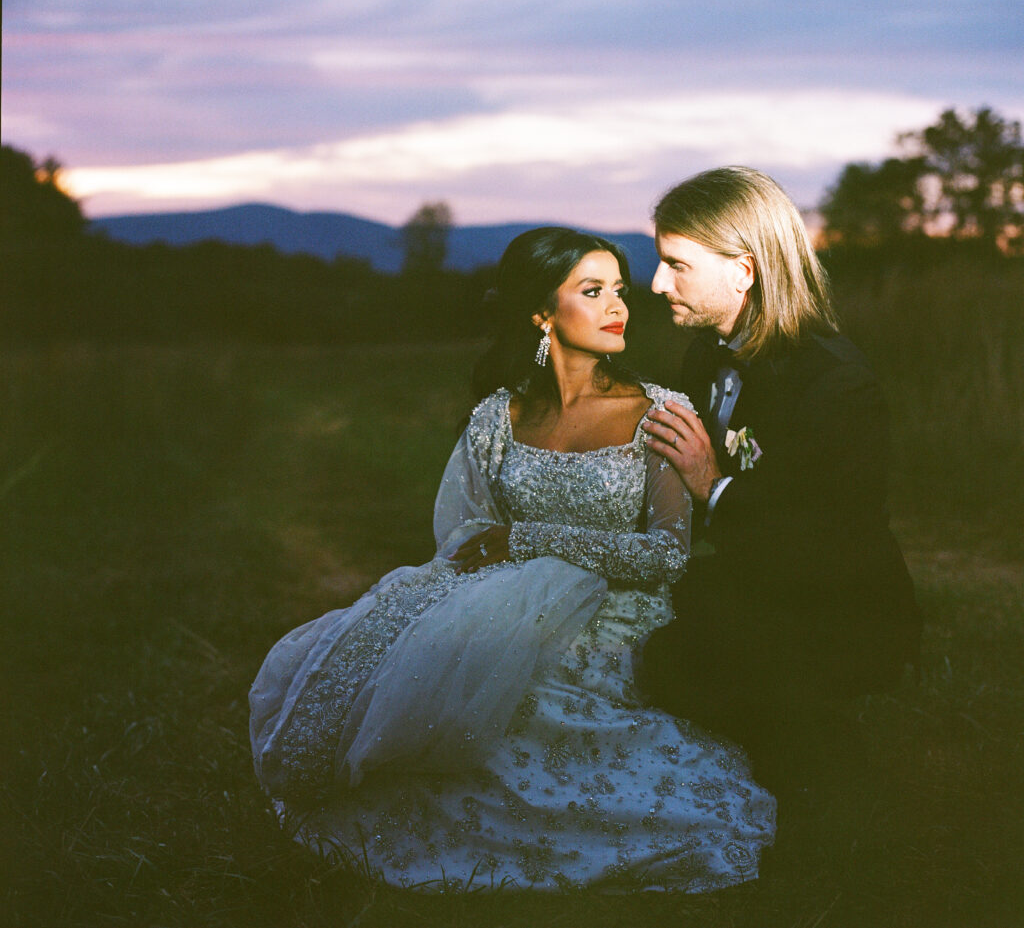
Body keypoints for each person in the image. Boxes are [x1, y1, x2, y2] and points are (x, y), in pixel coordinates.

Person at [250, 226, 775, 891]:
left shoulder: (661, 412)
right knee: (410, 666)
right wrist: (493, 577)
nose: (619, 305)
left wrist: (530, 540)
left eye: (618, 288)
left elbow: (668, 554)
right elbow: (466, 536)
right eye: (592, 291)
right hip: (506, 600)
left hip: (617, 615)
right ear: (541, 312)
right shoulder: (498, 418)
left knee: (525, 699)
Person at [639, 167, 921, 784]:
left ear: (744, 269)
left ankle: (820, 761)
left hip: (834, 609)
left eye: (677, 264)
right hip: (750, 582)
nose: (658, 283)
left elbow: (827, 540)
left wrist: (712, 483)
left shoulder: (834, 382)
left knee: (674, 667)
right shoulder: (705, 355)